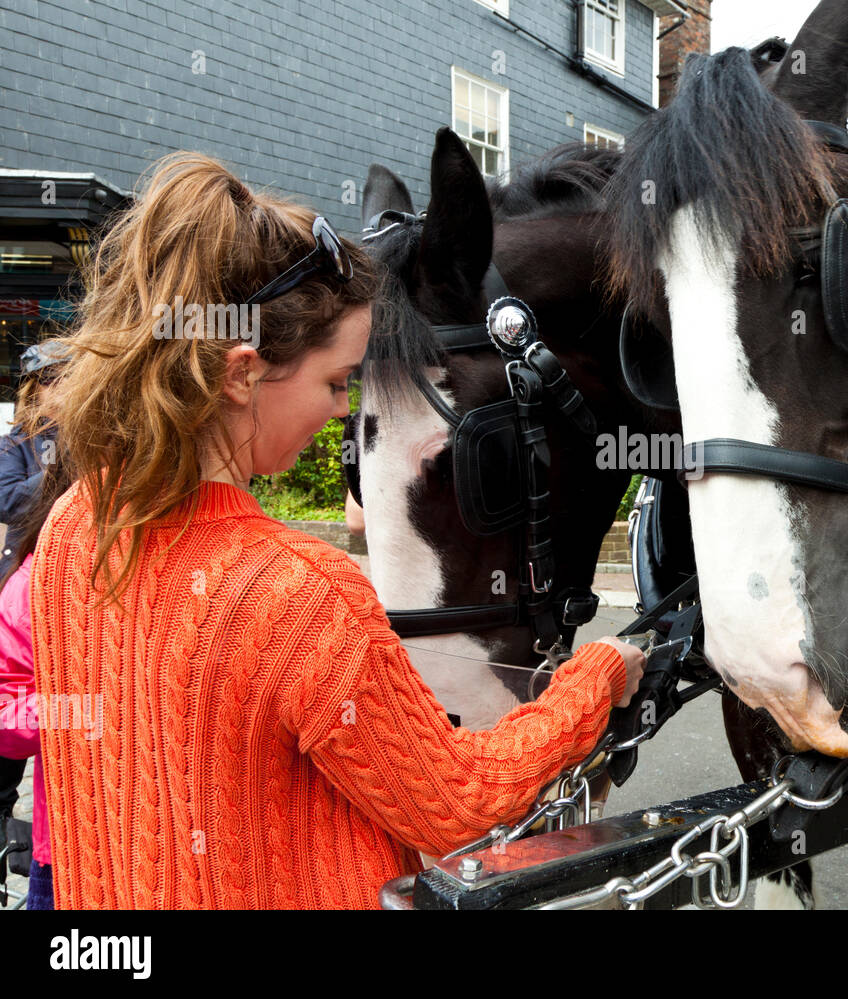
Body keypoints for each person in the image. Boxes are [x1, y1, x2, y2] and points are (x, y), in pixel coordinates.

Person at [28, 151, 644, 909]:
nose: (335, 417)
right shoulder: (298, 592)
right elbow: (461, 800)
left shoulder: (71, 526)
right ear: (241, 372)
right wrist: (596, 676)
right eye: (334, 382)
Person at [0, 340, 67, 887]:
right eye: (53, 378)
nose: (62, 386)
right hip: (23, 585)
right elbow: (10, 502)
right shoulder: (16, 443)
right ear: (36, 388)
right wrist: (63, 464)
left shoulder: (99, 435)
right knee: (13, 729)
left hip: (76, 586)